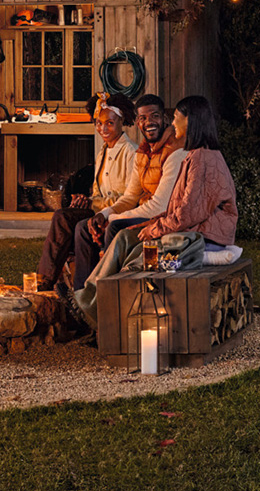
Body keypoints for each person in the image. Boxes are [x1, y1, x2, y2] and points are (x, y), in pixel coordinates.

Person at [73, 95, 237, 322]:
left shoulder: (200, 158)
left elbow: (186, 214)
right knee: (123, 237)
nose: (173, 123)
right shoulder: (195, 155)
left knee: (129, 244)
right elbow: (177, 208)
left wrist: (154, 228)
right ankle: (88, 298)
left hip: (207, 233)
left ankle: (100, 306)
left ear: (190, 121)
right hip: (191, 227)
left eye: (176, 118)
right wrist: (146, 223)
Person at [69, 93, 187, 290]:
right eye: (143, 118)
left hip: (163, 218)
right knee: (84, 227)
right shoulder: (143, 152)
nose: (149, 122)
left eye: (155, 116)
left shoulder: (174, 151)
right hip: (144, 214)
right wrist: (103, 214)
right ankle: (81, 293)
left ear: (165, 119)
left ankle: (109, 292)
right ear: (137, 122)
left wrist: (113, 218)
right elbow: (130, 196)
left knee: (115, 228)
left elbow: (160, 206)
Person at [33, 93, 137, 291]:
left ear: (121, 121)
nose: (103, 129)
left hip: (116, 213)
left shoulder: (131, 152)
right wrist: (85, 200)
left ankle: (72, 288)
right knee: (62, 216)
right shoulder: (103, 151)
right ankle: (44, 281)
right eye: (99, 123)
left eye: (109, 123)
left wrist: (95, 205)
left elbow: (130, 198)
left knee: (76, 223)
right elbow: (98, 191)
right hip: (98, 209)